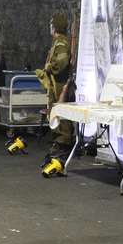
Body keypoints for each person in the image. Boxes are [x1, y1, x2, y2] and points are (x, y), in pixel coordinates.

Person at [39, 14, 75, 175]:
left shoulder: (61, 43)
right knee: (56, 118)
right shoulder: (59, 42)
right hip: (56, 86)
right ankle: (57, 151)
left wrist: (48, 67)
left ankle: (61, 155)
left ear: (54, 26)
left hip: (60, 87)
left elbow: (60, 63)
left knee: (61, 120)